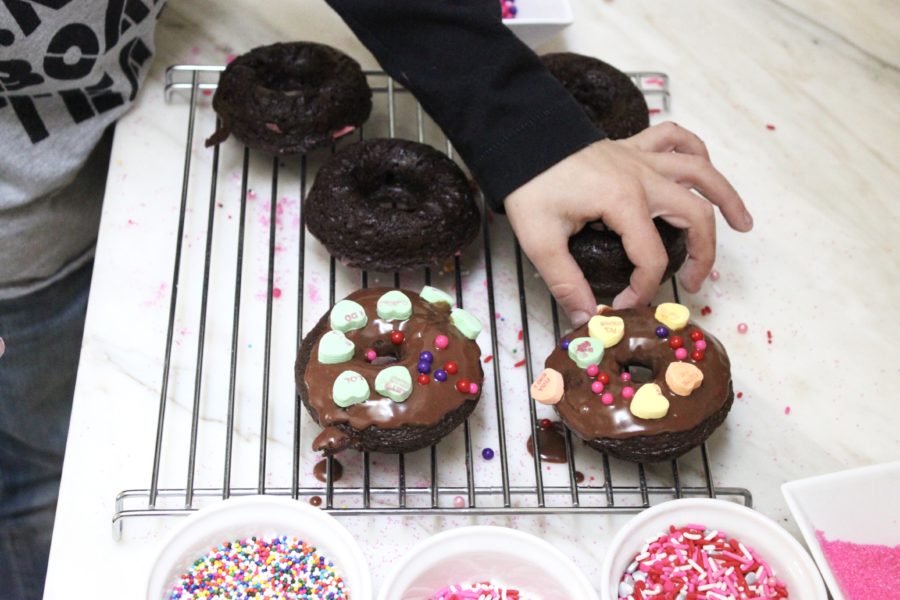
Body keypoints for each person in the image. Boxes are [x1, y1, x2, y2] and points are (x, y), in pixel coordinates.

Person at [0, 1, 751, 597]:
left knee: (43, 432)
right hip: (18, 250)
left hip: (106, 134)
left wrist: (524, 126)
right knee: (40, 450)